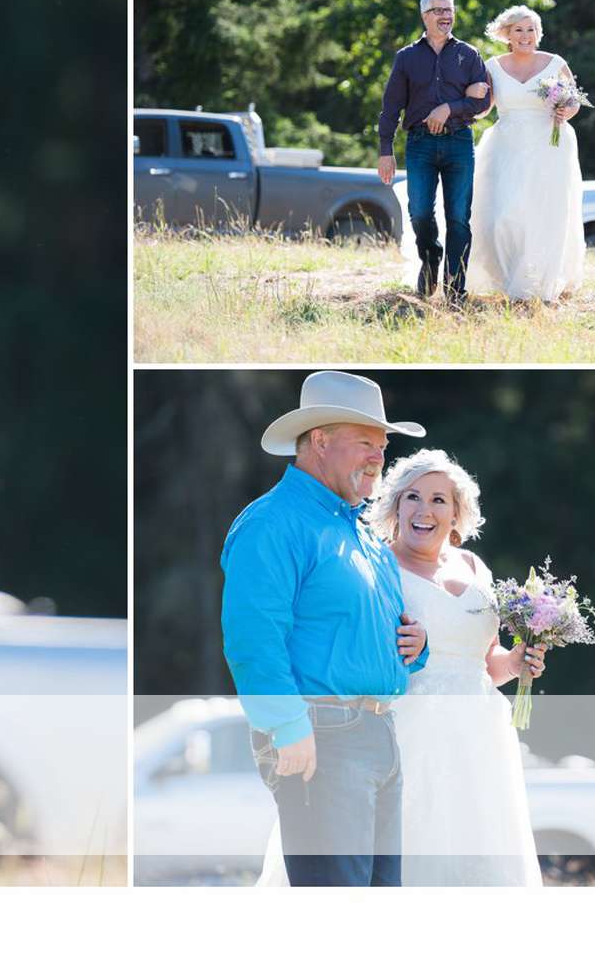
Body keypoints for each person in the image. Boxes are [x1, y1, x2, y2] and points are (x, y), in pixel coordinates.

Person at [259, 449, 547, 887]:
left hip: (478, 743)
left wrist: (517, 661)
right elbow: (354, 647)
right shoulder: (376, 566)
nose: (424, 510)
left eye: (438, 500)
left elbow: (485, 663)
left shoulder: (476, 569)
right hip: (406, 732)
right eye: (412, 497)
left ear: (456, 513)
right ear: (395, 507)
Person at [221, 370, 430, 887]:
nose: (378, 459)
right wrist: (286, 725)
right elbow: (253, 637)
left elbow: (378, 629)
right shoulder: (272, 523)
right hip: (321, 734)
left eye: (382, 447)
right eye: (365, 443)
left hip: (379, 734)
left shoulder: (359, 528)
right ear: (319, 441)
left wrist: (416, 648)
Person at [377, 0, 495, 303]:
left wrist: (450, 108)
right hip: (420, 145)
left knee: (458, 216)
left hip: (458, 142)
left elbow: (482, 100)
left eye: (449, 9)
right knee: (418, 213)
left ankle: (455, 288)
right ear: (424, 16)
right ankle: (430, 258)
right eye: (438, 10)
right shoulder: (407, 57)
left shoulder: (468, 54)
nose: (445, 15)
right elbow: (391, 107)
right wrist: (385, 150)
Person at [465, 5, 586, 303]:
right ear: (507, 34)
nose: (525, 35)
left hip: (550, 146)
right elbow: (485, 109)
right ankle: (508, 276)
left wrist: (566, 110)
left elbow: (574, 103)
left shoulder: (555, 63)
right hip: (506, 146)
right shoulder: (492, 66)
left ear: (538, 33)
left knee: (545, 214)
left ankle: (539, 286)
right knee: (502, 214)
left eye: (530, 29)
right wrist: (467, 100)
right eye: (518, 30)